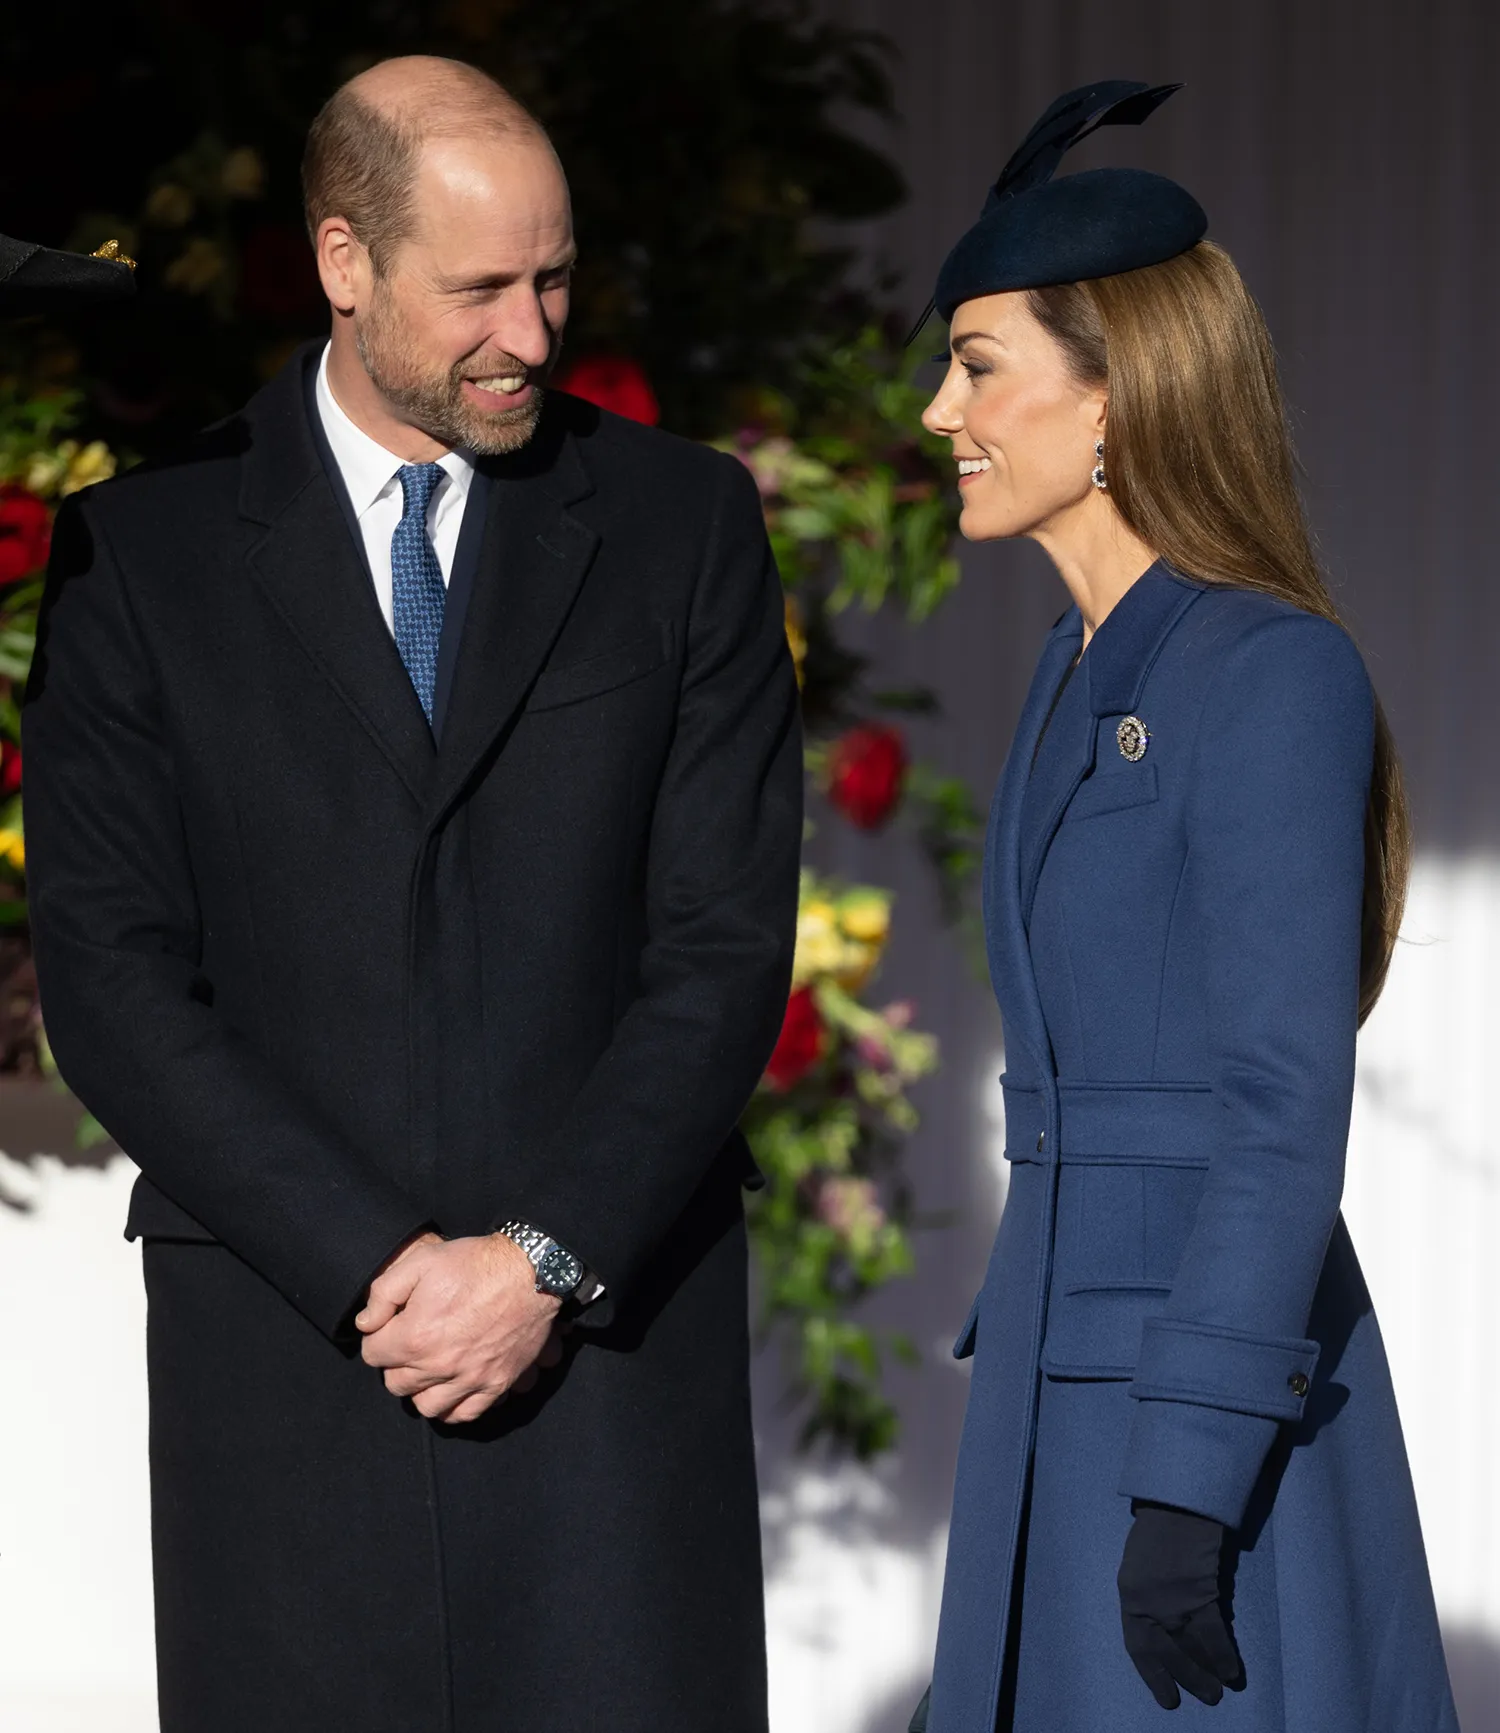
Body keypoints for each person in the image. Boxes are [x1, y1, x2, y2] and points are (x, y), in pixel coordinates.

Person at [23, 55, 801, 1733]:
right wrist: (381, 1267)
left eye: (555, 276)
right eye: (479, 290)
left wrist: (535, 1260)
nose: (528, 331)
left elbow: (725, 947)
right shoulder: (140, 560)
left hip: (608, 1358)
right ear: (343, 263)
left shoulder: (683, 525)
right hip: (290, 1367)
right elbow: (111, 980)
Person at [907, 83, 1458, 1733]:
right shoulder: (1081, 669)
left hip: (1191, 1419)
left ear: (1117, 398)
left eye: (981, 363)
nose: (942, 410)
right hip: (1061, 1394)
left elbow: (1281, 1110)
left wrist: (1190, 1484)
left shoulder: (1271, 671)